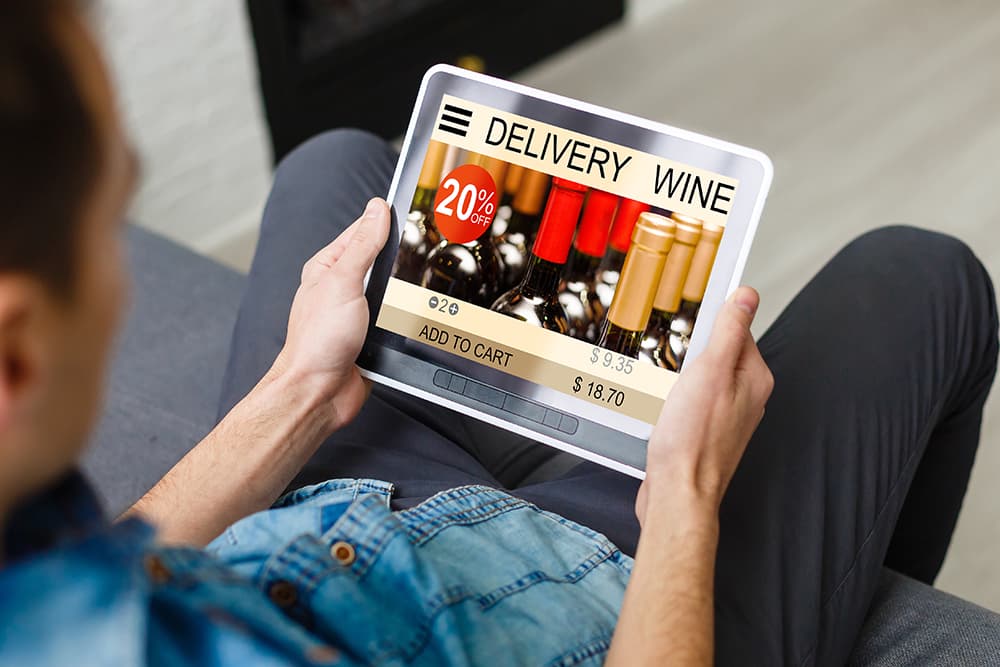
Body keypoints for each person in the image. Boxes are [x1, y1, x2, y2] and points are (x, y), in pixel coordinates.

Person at [1, 2, 997, 665]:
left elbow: (96, 591)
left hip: (342, 513)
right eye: (111, 222)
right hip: (607, 606)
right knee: (921, 273)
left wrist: (297, 391)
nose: (119, 272)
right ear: (16, 353)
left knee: (334, 163)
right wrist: (688, 497)